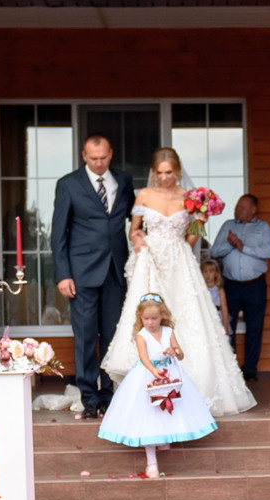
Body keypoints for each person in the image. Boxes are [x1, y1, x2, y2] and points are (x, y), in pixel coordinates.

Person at [101, 148, 255, 416]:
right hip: (150, 259)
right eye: (159, 173)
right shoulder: (145, 194)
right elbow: (134, 229)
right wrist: (138, 240)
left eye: (169, 172)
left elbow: (192, 235)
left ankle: (198, 383)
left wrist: (199, 223)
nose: (164, 177)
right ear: (153, 173)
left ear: (178, 171)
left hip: (179, 258)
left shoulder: (190, 197)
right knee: (149, 313)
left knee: (187, 314)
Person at [50, 135, 133, 418]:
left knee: (113, 335)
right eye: (93, 158)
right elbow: (58, 234)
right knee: (85, 335)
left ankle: (111, 395)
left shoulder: (124, 180)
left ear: (111, 155)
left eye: (104, 158)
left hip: (116, 269)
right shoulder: (68, 184)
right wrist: (63, 274)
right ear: (84, 156)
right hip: (81, 272)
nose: (99, 163)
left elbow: (137, 218)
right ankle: (89, 397)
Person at [98, 294, 215, 478]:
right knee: (149, 415)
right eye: (146, 319)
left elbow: (180, 353)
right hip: (148, 376)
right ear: (140, 318)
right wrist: (153, 370)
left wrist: (173, 351)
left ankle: (165, 438)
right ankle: (151, 461)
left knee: (169, 409)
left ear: (162, 316)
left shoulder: (168, 331)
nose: (150, 323)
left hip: (170, 374)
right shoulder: (141, 336)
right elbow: (144, 357)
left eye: (154, 318)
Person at [202, 192, 270, 377]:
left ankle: (250, 370)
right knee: (227, 324)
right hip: (230, 285)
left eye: (242, 207)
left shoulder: (263, 228)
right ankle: (230, 369)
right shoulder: (228, 226)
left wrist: (243, 246)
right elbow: (215, 251)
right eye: (236, 207)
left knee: (254, 327)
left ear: (253, 209)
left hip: (254, 285)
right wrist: (231, 244)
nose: (237, 210)